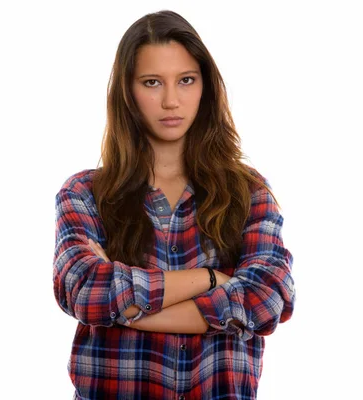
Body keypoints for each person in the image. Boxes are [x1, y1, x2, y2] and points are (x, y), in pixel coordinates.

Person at [52, 9, 295, 400]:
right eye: (152, 82)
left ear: (205, 87)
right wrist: (215, 279)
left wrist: (130, 312)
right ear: (128, 92)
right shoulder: (85, 194)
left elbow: (267, 297)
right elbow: (84, 289)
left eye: (185, 80)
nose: (170, 100)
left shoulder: (248, 193)